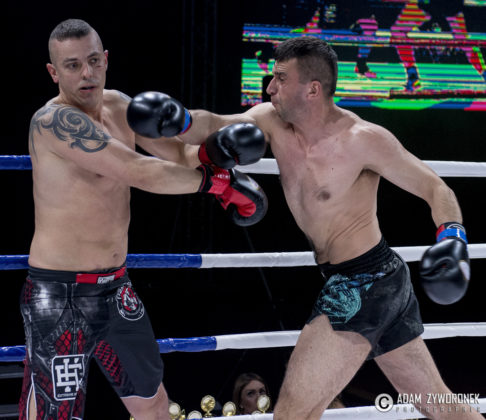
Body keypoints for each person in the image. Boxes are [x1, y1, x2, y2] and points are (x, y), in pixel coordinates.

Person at [127, 36, 481, 420]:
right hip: (374, 281)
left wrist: (452, 237)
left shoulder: (363, 139)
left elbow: (436, 188)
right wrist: (179, 119)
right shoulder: (271, 121)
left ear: (312, 89)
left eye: (281, 78)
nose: (269, 87)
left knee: (291, 414)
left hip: (363, 284)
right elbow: (214, 125)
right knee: (439, 405)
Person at [20, 19, 268, 420]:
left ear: (106, 60)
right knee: (55, 415)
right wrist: (218, 185)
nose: (86, 73)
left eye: (93, 61)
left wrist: (215, 154)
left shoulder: (120, 106)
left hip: (116, 288)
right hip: (61, 293)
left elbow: (179, 156)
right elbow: (138, 171)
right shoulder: (53, 122)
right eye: (72, 65)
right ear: (53, 72)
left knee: (154, 404)